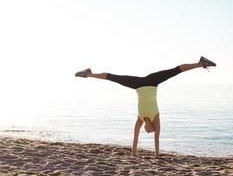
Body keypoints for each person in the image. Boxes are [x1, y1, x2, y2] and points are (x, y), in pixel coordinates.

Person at [75, 56, 216, 158]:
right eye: (150, 131)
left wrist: (134, 154)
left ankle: (88, 73)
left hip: (138, 85)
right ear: (152, 127)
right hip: (152, 81)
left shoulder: (140, 118)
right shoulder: (156, 118)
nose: (147, 132)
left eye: (147, 132)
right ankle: (200, 63)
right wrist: (156, 155)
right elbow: (157, 140)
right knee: (175, 70)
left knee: (114, 77)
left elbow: (135, 136)